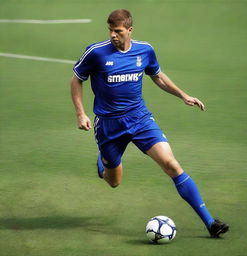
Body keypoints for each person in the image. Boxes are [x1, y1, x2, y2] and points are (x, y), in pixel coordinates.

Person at [70, 9, 229, 238]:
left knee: (171, 164)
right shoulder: (96, 53)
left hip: (140, 119)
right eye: (110, 30)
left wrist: (183, 95)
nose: (113, 35)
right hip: (108, 125)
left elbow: (157, 75)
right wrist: (80, 114)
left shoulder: (145, 50)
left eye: (118, 31)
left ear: (130, 30)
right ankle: (103, 164)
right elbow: (76, 79)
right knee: (114, 182)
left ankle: (210, 223)